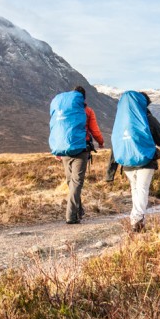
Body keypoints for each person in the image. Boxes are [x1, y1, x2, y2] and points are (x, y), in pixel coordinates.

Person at [114, 91, 160, 232]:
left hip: (127, 161)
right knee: (142, 189)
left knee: (135, 189)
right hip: (145, 160)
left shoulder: (121, 119)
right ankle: (137, 219)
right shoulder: (146, 118)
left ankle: (136, 219)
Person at [63, 86, 103, 224]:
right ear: (83, 97)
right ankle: (71, 216)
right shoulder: (87, 111)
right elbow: (95, 130)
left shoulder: (65, 110)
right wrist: (101, 142)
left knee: (71, 182)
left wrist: (58, 149)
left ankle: (78, 211)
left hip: (64, 150)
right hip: (81, 149)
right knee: (76, 183)